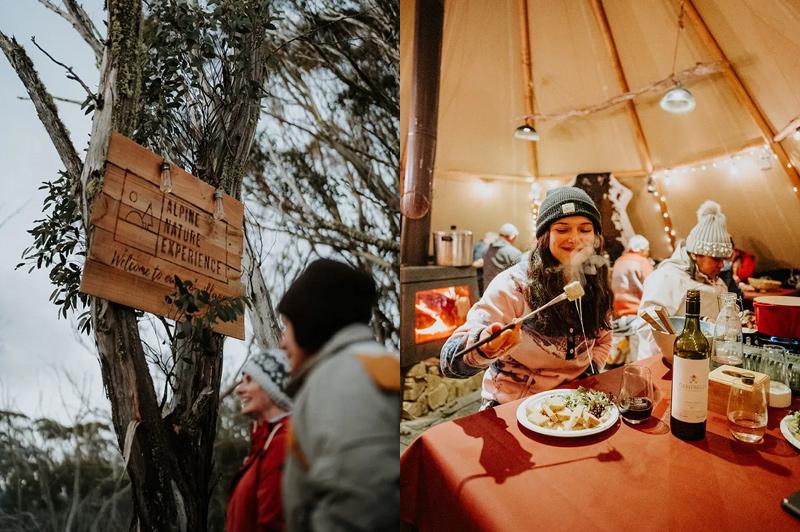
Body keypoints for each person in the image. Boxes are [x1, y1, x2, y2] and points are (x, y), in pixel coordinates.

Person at [441, 187, 613, 408]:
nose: (574, 238)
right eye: (562, 229)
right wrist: (485, 347)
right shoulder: (513, 285)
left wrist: (589, 374)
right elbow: (450, 362)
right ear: (544, 236)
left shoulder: (596, 283)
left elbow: (604, 339)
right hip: (514, 404)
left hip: (574, 399)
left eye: (585, 229)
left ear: (596, 236)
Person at [277, 259, 399, 531]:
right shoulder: (352, 370)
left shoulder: (346, 377)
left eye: (287, 325)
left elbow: (362, 504)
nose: (282, 341)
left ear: (310, 320)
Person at [637, 200, 731, 359]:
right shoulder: (667, 278)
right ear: (695, 254)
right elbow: (647, 325)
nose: (722, 265)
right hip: (663, 361)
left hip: (703, 359)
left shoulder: (718, 283)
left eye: (724, 259)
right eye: (716, 259)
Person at [226, 349, 293, 532]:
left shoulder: (282, 444)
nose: (239, 389)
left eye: (249, 380)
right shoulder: (264, 444)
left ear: (272, 386)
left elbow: (274, 525)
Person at [608, 235, 654, 365]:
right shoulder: (642, 261)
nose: (648, 252)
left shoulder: (619, 261)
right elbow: (651, 286)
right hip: (636, 316)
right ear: (642, 248)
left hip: (618, 315)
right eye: (647, 249)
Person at [482, 222, 523, 288]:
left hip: (487, 291)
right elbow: (521, 274)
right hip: (503, 293)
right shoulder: (513, 252)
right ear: (511, 237)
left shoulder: (486, 249)